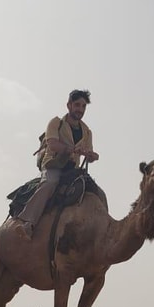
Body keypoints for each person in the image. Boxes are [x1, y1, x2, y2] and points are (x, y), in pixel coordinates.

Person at [14, 89, 98, 240]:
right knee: (50, 183)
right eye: (77, 105)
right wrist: (72, 149)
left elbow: (89, 152)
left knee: (93, 190)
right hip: (54, 165)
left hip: (73, 169)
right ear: (69, 105)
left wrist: (92, 156)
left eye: (83, 106)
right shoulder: (56, 123)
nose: (80, 109)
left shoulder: (87, 132)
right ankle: (28, 223)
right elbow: (52, 144)